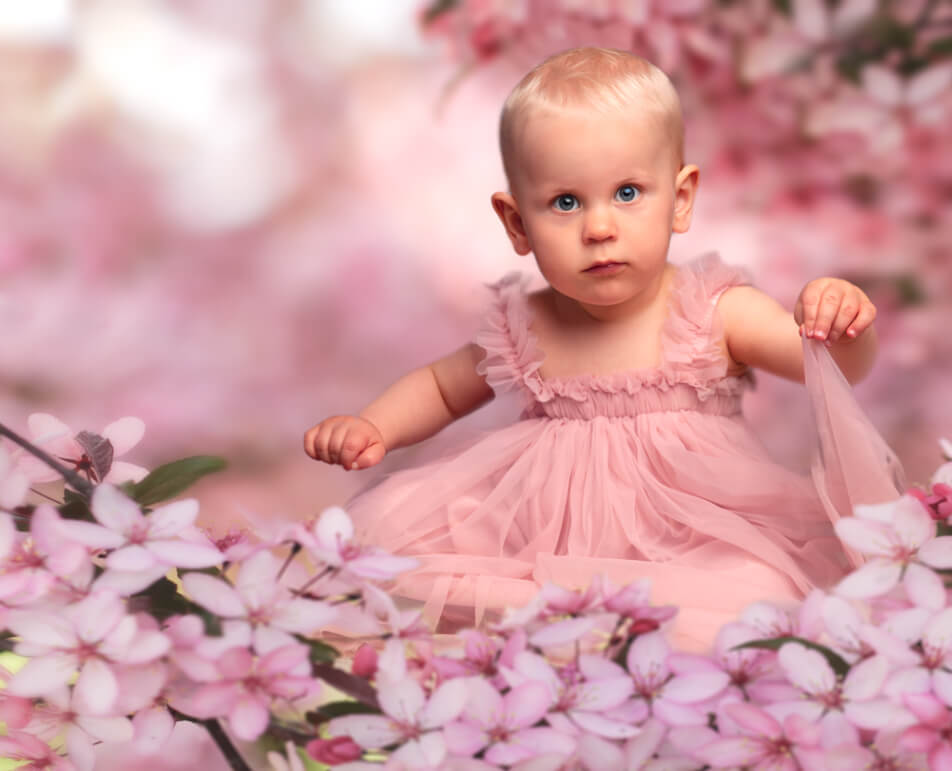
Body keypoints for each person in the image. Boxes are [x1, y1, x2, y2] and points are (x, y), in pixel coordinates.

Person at [304, 47, 904, 649]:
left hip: (690, 538)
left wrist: (843, 323)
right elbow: (441, 386)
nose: (598, 228)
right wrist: (373, 426)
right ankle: (546, 641)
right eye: (566, 203)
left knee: (755, 597)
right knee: (404, 558)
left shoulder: (713, 310)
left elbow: (824, 364)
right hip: (535, 537)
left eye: (627, 193)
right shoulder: (526, 323)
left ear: (682, 198)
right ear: (517, 225)